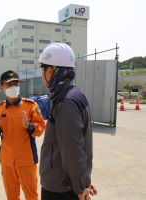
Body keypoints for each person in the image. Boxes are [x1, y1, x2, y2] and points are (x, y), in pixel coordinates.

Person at [38, 43, 97, 200]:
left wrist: (80, 187)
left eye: (42, 68)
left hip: (60, 188)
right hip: (67, 184)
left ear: (50, 70)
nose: (41, 73)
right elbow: (82, 144)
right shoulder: (75, 95)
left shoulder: (65, 102)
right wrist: (84, 181)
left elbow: (73, 151)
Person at [0, 70, 46, 200]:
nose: (13, 87)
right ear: (2, 88)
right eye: (9, 85)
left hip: (27, 161)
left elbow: (41, 127)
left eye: (16, 84)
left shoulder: (30, 106)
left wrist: (29, 126)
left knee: (31, 196)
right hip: (7, 162)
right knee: (11, 196)